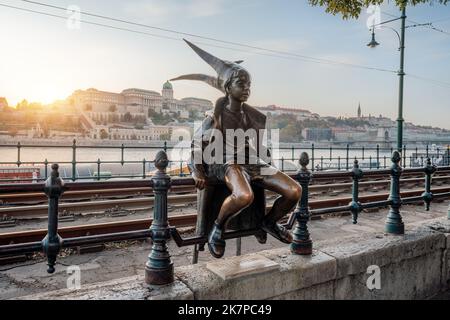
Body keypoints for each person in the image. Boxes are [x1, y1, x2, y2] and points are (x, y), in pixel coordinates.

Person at [171, 39, 302, 258]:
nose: (246, 89)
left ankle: (269, 223)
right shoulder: (215, 116)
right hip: (224, 162)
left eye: (248, 84)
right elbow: (195, 145)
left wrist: (266, 162)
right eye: (241, 83)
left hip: (250, 160)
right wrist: (197, 171)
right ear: (228, 87)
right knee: (243, 196)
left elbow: (257, 147)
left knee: (295, 190)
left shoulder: (252, 116)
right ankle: (217, 229)